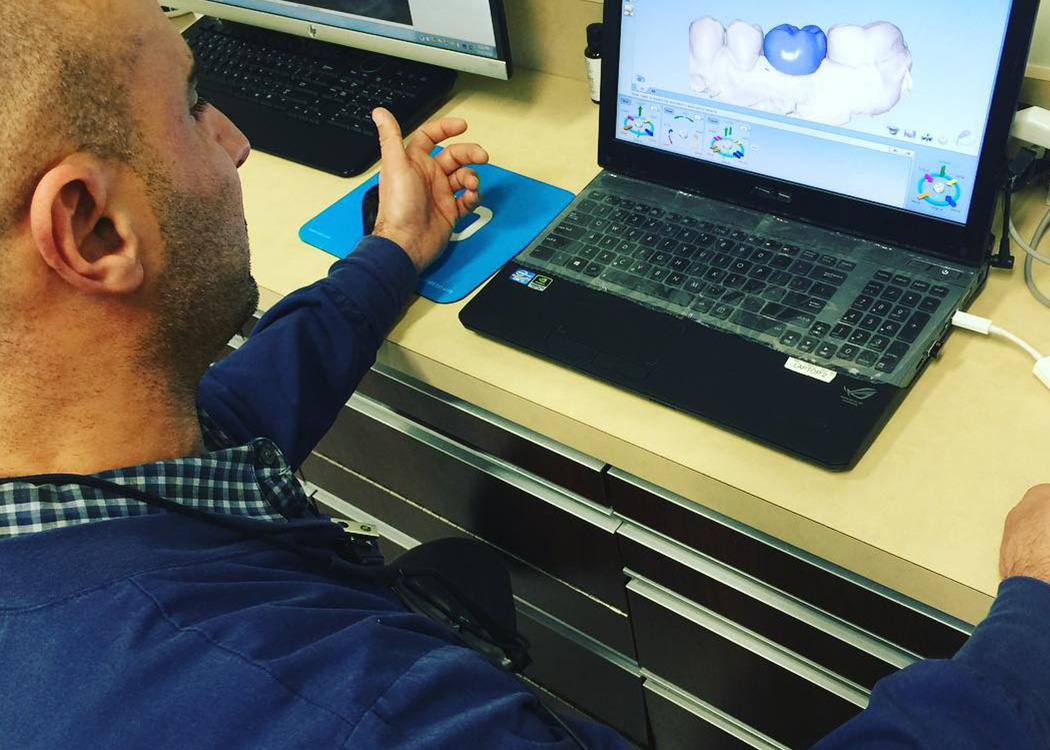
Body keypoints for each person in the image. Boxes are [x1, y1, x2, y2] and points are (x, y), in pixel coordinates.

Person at [0, 2, 1048, 749]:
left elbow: (230, 418)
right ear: (91, 228)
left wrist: (392, 253)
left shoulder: (76, 472)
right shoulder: (339, 713)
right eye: (191, 104)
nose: (231, 144)